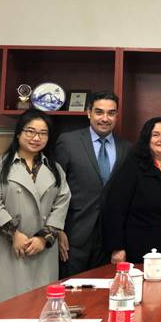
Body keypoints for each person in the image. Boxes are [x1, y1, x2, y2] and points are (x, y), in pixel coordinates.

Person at [0, 109, 70, 308]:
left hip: (42, 250)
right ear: (18, 133)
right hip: (7, 248)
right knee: (4, 309)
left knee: (41, 309)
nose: (36, 138)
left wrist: (44, 238)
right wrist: (14, 235)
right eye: (30, 131)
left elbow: (62, 204)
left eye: (43, 133)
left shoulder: (54, 169)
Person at [55, 91, 131, 278]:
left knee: (105, 290)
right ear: (89, 113)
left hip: (110, 241)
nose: (105, 118)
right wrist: (57, 230)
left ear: (117, 115)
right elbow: (54, 188)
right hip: (73, 237)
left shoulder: (127, 148)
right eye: (99, 112)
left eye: (111, 113)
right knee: (71, 289)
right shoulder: (68, 141)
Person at [102, 117, 161, 264]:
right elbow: (116, 208)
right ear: (147, 139)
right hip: (140, 249)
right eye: (155, 135)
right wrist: (117, 247)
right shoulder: (133, 167)